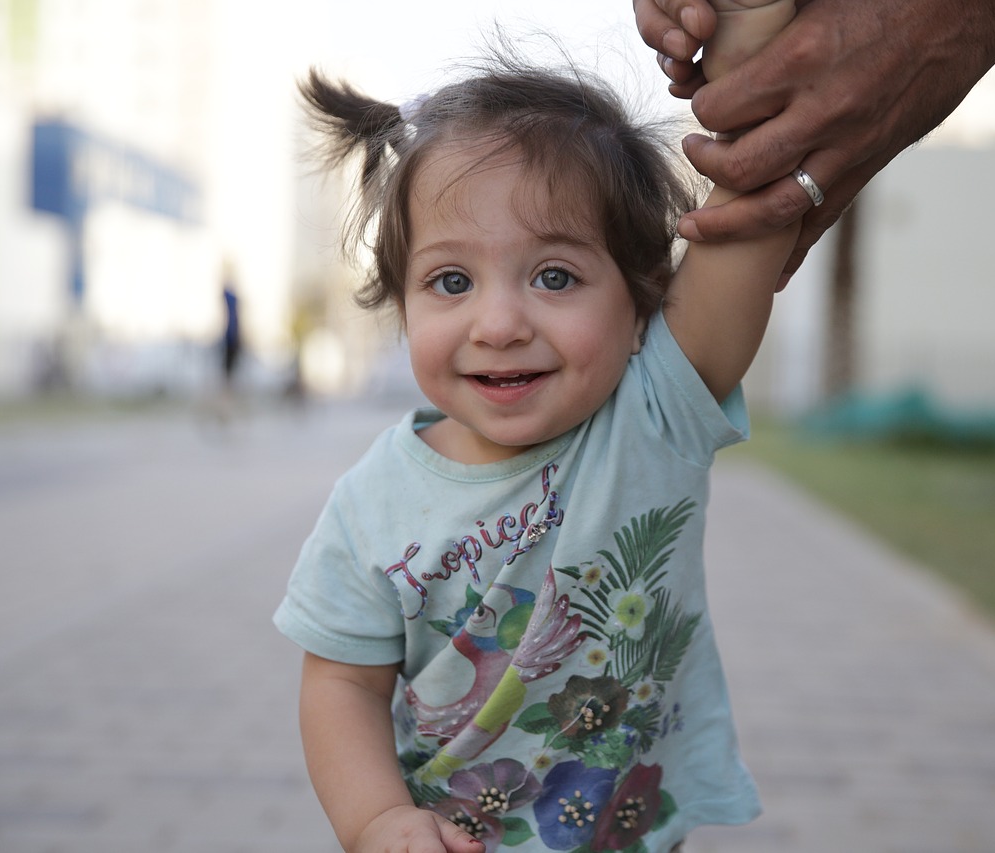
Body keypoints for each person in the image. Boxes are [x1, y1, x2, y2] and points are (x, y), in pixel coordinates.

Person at [273, 23, 797, 853]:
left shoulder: (653, 414)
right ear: (401, 304)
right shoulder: (369, 504)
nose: (501, 322)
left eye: (555, 276)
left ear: (641, 305)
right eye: (451, 281)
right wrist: (376, 820)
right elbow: (342, 681)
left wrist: (752, 32)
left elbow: (751, 221)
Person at [634, 0, 995, 290]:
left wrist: (749, 22)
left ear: (637, 312)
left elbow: (710, 326)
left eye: (563, 278)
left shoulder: (645, 402)